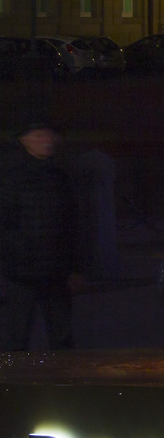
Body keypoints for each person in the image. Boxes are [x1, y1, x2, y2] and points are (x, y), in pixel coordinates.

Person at [0, 122, 85, 350]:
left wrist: (75, 267)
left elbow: (72, 226)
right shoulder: (11, 179)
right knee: (17, 336)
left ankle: (66, 381)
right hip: (22, 271)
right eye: (38, 135)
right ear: (24, 140)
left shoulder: (61, 178)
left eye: (49, 135)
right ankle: (13, 383)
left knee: (61, 336)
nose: (47, 140)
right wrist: (17, 257)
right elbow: (6, 225)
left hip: (56, 270)